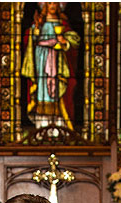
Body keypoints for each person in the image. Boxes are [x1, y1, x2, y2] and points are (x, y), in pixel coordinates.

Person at [22, 2, 80, 134]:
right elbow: (29, 40)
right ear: (44, 6)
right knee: (43, 91)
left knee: (57, 91)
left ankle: (60, 128)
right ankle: (42, 127)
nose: (52, 5)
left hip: (58, 62)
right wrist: (35, 30)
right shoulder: (39, 22)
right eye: (49, 2)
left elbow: (75, 40)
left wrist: (64, 41)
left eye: (55, 2)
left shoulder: (63, 24)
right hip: (41, 60)